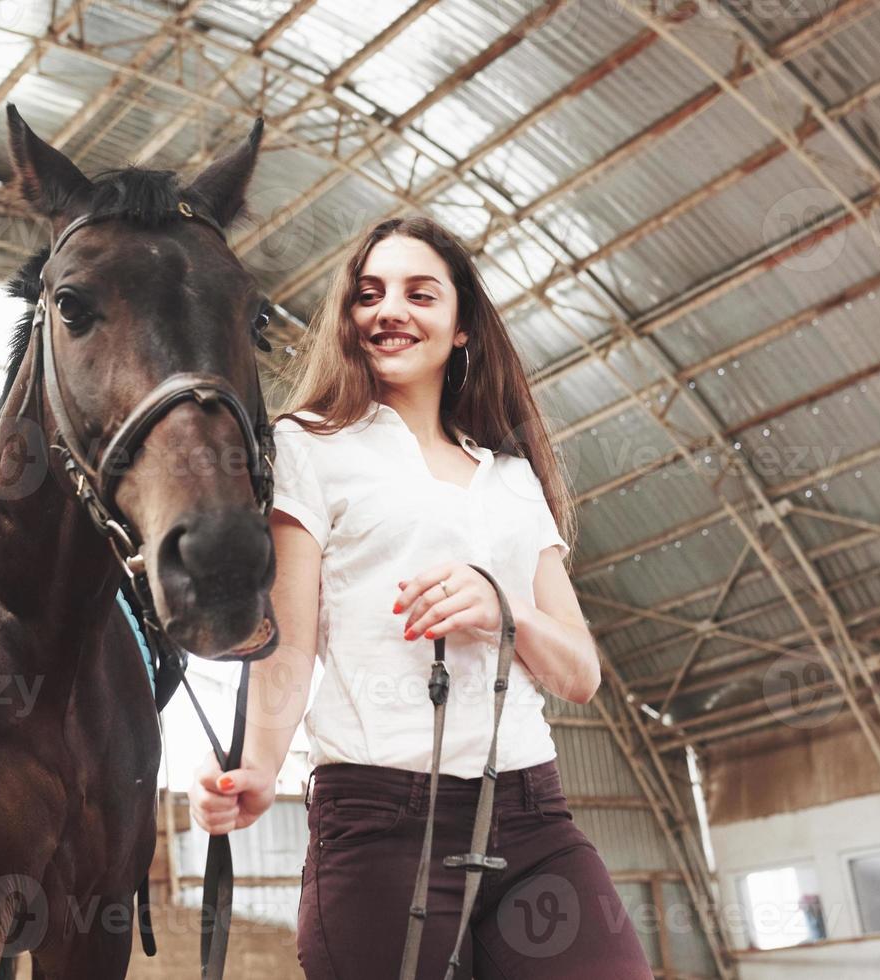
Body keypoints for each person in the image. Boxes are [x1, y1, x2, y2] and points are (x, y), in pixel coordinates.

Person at [189, 216, 653, 978]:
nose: (387, 311)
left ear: (463, 325)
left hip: (531, 814)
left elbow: (579, 674)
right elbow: (291, 646)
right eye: (368, 295)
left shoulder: (511, 478)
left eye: (418, 293)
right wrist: (259, 768)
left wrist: (504, 608)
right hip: (379, 818)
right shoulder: (307, 446)